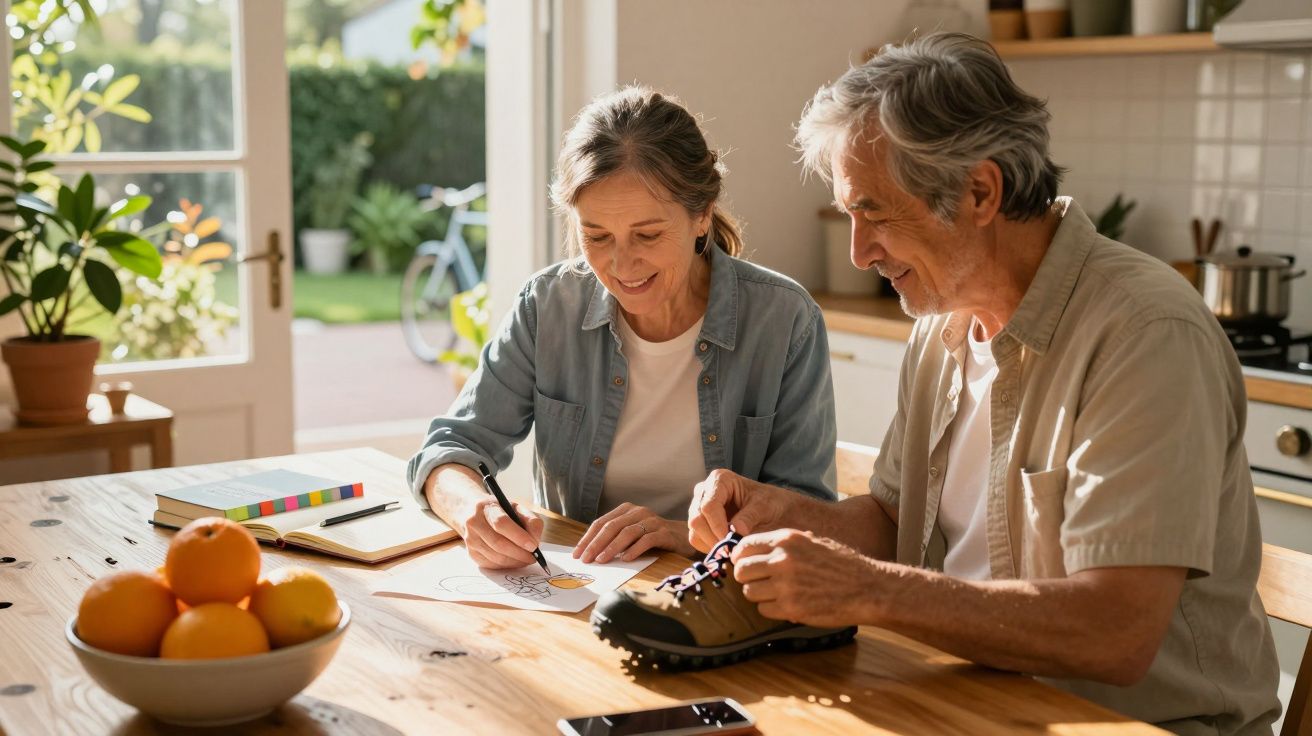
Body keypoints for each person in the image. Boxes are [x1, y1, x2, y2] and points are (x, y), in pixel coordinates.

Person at [599, 33, 1280, 735]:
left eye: (874, 212)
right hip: (970, 702)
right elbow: (897, 523)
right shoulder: (942, 321)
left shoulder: (1144, 334)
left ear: (980, 191)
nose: (859, 252)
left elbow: (1114, 632)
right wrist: (784, 516)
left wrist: (866, 591)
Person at [408, 86, 837, 574]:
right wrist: (473, 510)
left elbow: (809, 514)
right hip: (579, 592)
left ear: (702, 215)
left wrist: (678, 537)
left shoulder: (784, 320)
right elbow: (449, 449)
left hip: (721, 595)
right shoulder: (547, 306)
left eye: (648, 235)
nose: (621, 264)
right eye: (596, 236)